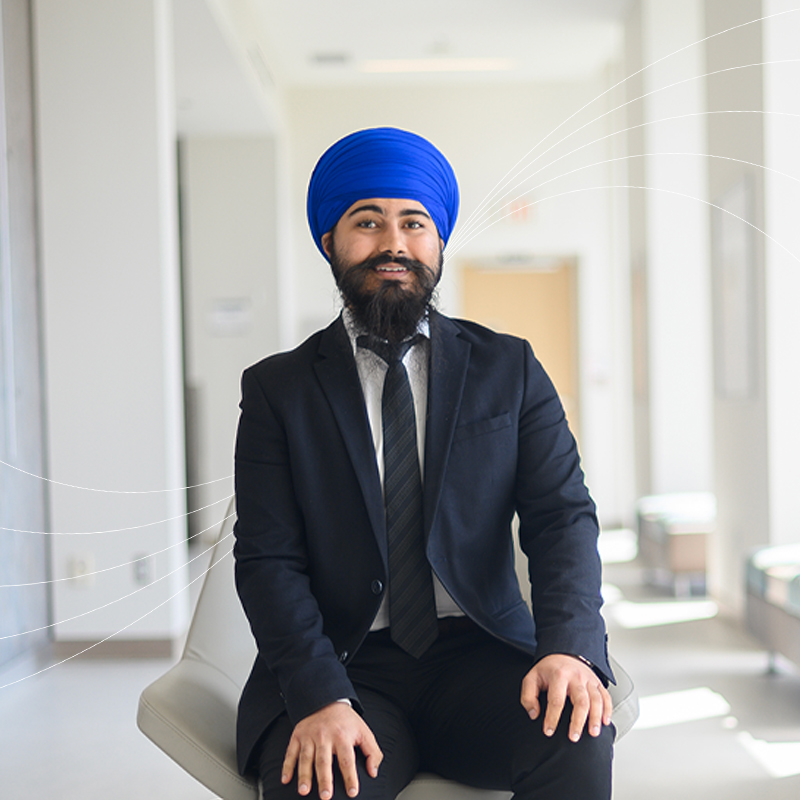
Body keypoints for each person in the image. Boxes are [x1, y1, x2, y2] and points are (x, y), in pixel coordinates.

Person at [233, 127, 615, 800]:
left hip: (482, 655)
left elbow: (562, 518)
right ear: (329, 241)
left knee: (576, 740)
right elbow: (268, 559)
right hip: (347, 665)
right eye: (367, 222)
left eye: (414, 222)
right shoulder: (278, 391)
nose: (393, 244)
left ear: (438, 241)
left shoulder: (510, 368)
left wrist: (570, 647)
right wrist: (319, 696)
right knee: (318, 787)